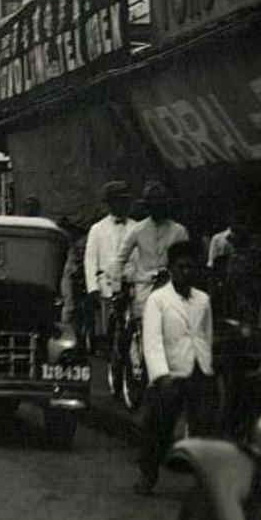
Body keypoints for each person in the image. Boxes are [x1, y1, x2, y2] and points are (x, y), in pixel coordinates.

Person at [135, 240, 216, 495]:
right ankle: (148, 475)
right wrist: (161, 376)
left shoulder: (202, 300)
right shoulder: (158, 300)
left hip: (198, 369)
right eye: (181, 267)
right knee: (159, 427)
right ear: (171, 268)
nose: (186, 273)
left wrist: (207, 364)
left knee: (204, 427)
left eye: (191, 268)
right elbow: (152, 340)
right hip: (170, 372)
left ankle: (203, 483)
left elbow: (206, 334)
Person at [114, 181, 190, 321]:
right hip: (144, 290)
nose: (156, 209)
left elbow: (187, 263)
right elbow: (120, 260)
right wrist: (118, 287)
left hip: (172, 288)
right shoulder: (138, 230)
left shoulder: (179, 231)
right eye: (152, 205)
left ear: (166, 205)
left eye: (160, 204)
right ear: (147, 207)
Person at [84, 181, 134, 338]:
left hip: (131, 288)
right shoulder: (97, 229)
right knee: (108, 332)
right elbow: (90, 260)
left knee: (131, 329)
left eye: (124, 200)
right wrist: (92, 289)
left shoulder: (137, 227)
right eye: (118, 200)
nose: (122, 204)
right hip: (106, 287)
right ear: (110, 203)